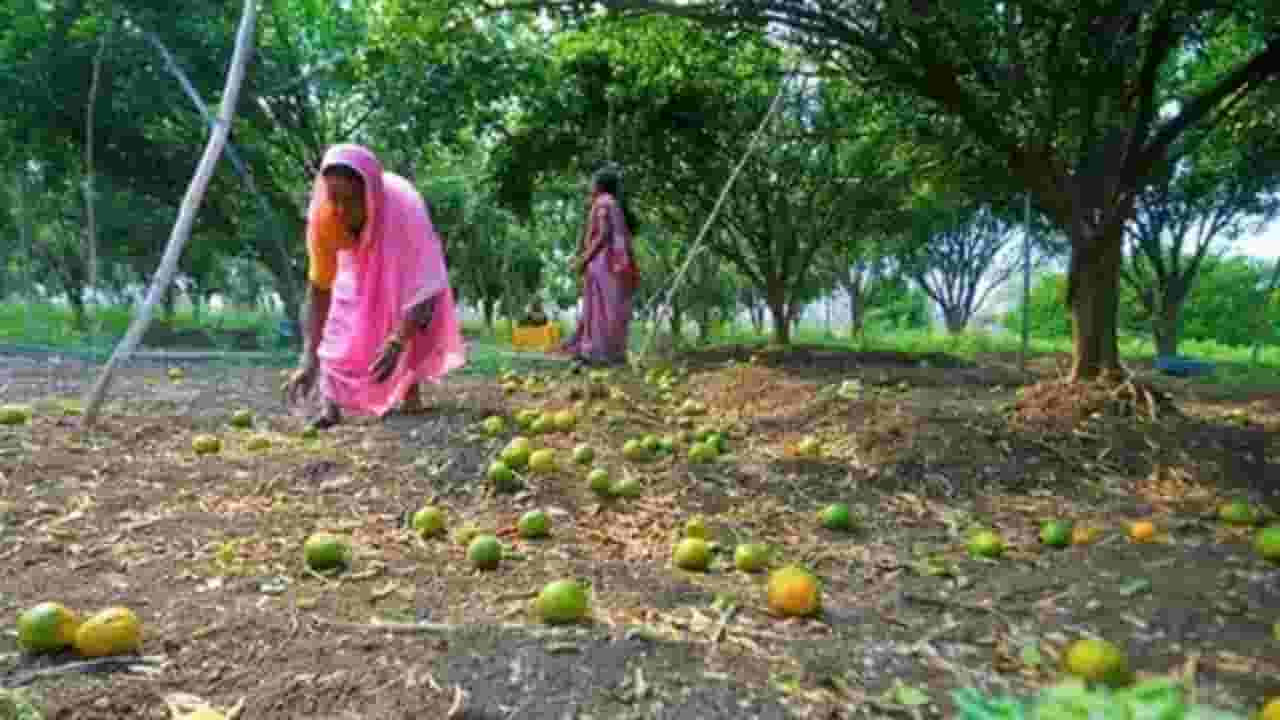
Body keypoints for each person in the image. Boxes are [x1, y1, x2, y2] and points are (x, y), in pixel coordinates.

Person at [283, 144, 465, 429]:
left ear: (370, 196)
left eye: (352, 200)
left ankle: (408, 388)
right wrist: (308, 359)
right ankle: (329, 405)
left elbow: (425, 288)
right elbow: (320, 291)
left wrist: (397, 340)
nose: (341, 209)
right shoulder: (326, 218)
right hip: (356, 259)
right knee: (344, 314)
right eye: (334, 198)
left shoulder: (405, 212)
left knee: (402, 309)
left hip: (400, 255)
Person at [560, 165, 640, 369]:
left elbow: (603, 235)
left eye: (592, 181)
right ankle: (612, 353)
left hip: (603, 264)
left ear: (599, 185)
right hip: (614, 265)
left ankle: (597, 353)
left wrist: (584, 259)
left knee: (598, 309)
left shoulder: (602, 203)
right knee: (611, 310)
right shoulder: (613, 203)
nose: (589, 185)